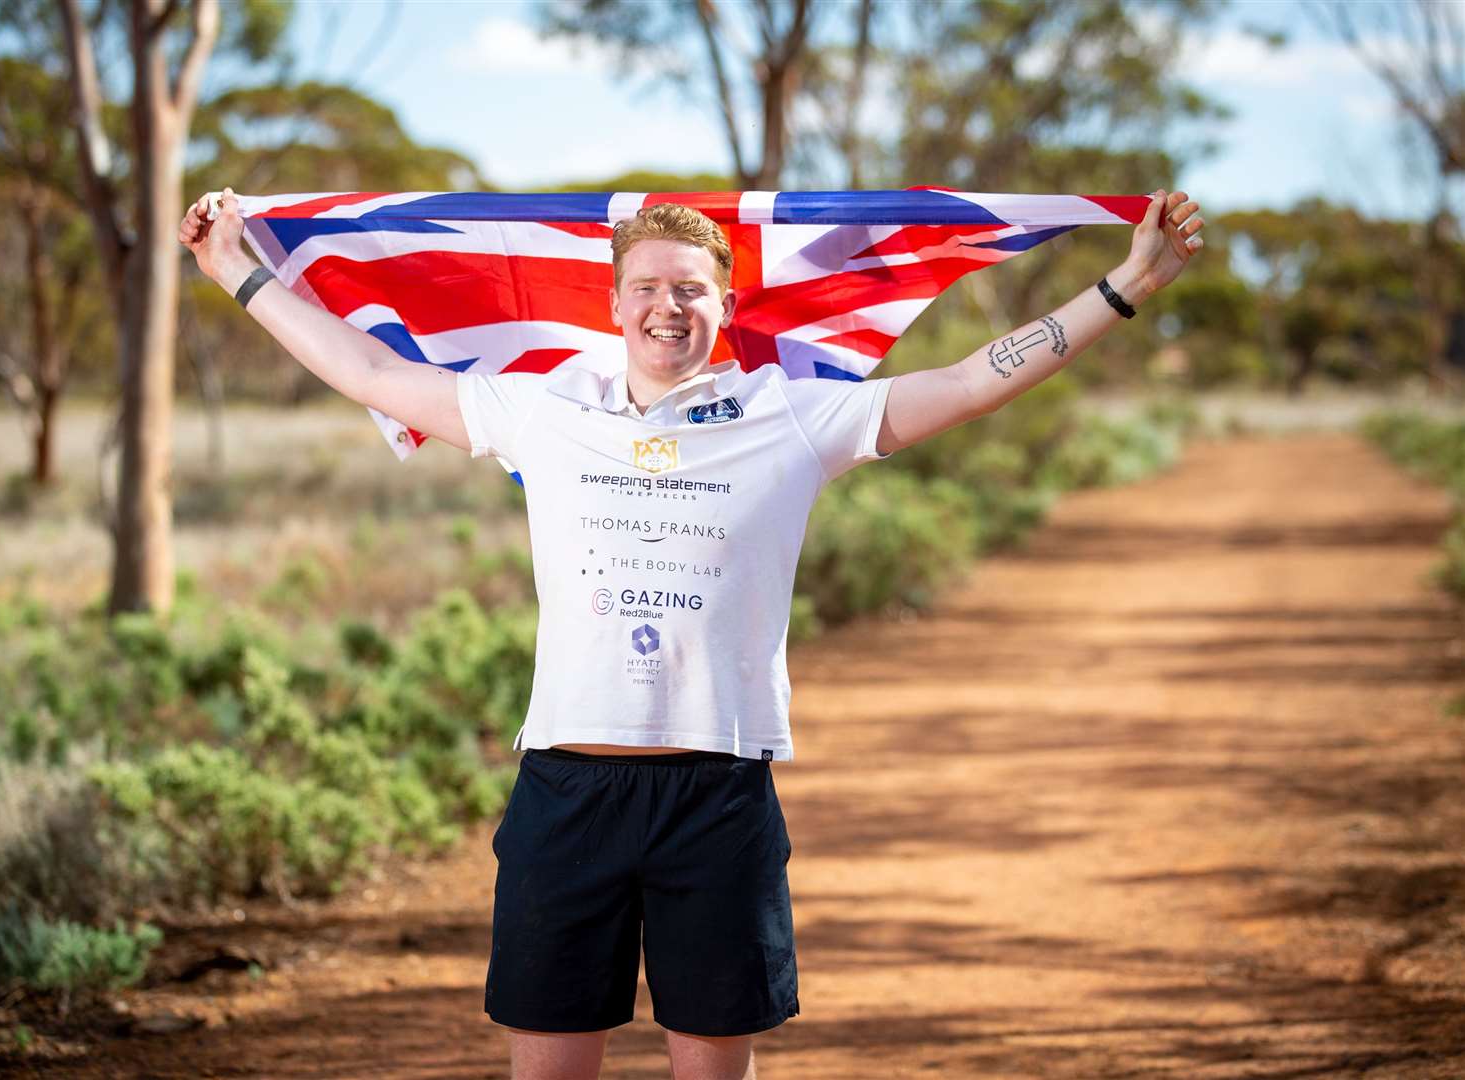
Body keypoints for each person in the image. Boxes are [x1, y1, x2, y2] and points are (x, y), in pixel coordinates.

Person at [179, 186, 1204, 1080]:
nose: (668, 306)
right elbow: (363, 369)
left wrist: (1124, 289)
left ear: (723, 304)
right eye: (647, 288)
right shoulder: (541, 414)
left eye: (691, 289)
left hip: (717, 798)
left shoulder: (794, 417)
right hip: (565, 796)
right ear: (615, 302)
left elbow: (976, 379)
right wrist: (234, 269)